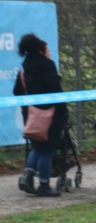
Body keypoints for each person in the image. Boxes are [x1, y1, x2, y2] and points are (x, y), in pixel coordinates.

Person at [13, 33, 68, 198]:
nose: (49, 52)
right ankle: (44, 185)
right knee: (47, 151)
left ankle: (28, 175)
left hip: (31, 117)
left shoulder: (24, 70)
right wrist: (63, 111)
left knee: (37, 147)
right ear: (40, 50)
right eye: (47, 49)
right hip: (50, 116)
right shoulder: (48, 66)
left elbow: (17, 92)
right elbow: (56, 91)